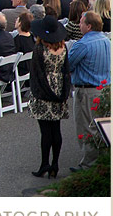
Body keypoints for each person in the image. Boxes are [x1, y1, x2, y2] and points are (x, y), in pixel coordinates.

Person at [28, 15, 71, 178]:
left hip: (43, 90)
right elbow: (66, 71)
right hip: (58, 87)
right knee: (56, 129)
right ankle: (55, 163)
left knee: (45, 131)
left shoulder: (39, 49)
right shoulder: (63, 48)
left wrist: (42, 93)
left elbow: (37, 74)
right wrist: (63, 93)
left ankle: (45, 163)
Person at [68, 11, 111, 171]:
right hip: (104, 89)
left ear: (89, 25)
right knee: (101, 126)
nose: (79, 25)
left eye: (81, 22)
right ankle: (100, 159)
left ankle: (88, 164)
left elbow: (69, 64)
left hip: (86, 91)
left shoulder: (83, 44)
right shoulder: (106, 40)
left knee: (86, 127)